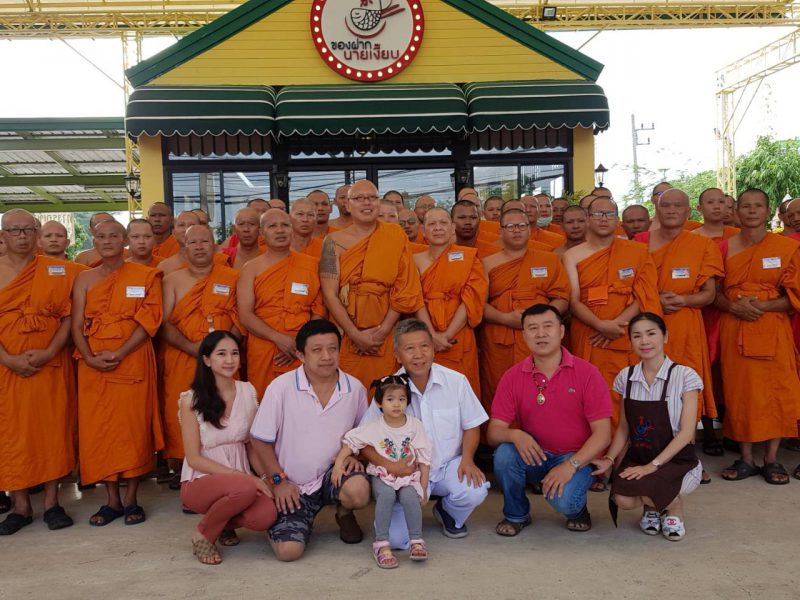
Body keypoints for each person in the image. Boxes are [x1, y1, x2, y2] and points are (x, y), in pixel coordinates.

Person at [249, 319, 371, 562]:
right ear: (300, 355)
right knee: (289, 552)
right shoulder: (281, 387)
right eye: (317, 350)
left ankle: (344, 512)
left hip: (332, 475)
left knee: (359, 491)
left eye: (332, 348)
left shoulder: (354, 388)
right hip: (292, 483)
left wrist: (355, 457)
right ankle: (282, 523)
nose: (326, 356)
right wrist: (278, 481)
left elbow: (362, 434)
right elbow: (259, 440)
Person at [359, 319, 489, 545]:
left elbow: (472, 425)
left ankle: (448, 512)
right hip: (406, 473)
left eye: (424, 347)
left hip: (449, 465)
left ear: (433, 349)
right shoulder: (386, 390)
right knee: (398, 541)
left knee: (474, 490)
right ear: (398, 355)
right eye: (409, 349)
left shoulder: (456, 382)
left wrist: (467, 459)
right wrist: (389, 466)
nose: (418, 355)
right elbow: (363, 439)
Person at [489, 304, 612, 535]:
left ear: (562, 331)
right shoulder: (513, 376)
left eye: (548, 326)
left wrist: (570, 465)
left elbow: (603, 434)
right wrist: (515, 434)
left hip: (576, 458)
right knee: (505, 454)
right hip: (536, 455)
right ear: (524, 335)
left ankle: (578, 511)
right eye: (532, 328)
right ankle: (516, 515)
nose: (541, 334)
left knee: (564, 502)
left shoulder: (587, 373)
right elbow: (494, 432)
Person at [71, 219, 164, 526]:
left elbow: (150, 319)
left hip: (132, 358)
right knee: (100, 429)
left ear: (124, 240)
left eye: (114, 236)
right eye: (101, 236)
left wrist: (121, 352)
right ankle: (110, 500)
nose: (107, 240)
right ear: (93, 240)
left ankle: (132, 498)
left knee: (131, 427)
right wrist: (88, 356)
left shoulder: (145, 275)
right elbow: (76, 323)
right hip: (93, 363)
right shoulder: (84, 278)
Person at [0, 209, 85, 535]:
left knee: (52, 429)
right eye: (14, 230)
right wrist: (7, 359)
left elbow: (68, 316)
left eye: (27, 230)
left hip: (49, 364)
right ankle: (20, 505)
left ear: (36, 233)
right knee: (11, 434)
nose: (22, 236)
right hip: (7, 370)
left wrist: (50, 350)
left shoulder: (58, 270)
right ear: (3, 236)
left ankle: (52, 502)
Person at [716, 189, 800, 485]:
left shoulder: (785, 247)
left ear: (769, 212)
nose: (752, 211)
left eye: (758, 206)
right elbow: (714, 293)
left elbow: (794, 296)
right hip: (735, 327)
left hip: (772, 327)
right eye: (746, 206)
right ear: (737, 211)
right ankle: (746, 458)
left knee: (776, 391)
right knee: (741, 392)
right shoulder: (725, 248)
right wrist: (733, 306)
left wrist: (763, 305)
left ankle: (772, 459)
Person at [594, 312, 702, 541]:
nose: (644, 341)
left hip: (677, 460)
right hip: (640, 456)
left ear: (665, 336)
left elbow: (686, 433)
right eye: (637, 336)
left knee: (650, 485)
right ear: (630, 341)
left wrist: (652, 466)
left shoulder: (685, 376)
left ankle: (673, 508)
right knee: (622, 500)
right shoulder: (626, 376)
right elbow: (624, 428)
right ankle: (652, 506)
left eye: (651, 334)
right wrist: (611, 459)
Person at [179, 330, 278, 565]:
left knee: (266, 515)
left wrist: (265, 477)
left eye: (234, 353)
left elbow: (251, 445)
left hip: (240, 484)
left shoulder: (248, 391)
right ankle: (203, 534)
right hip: (201, 480)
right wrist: (247, 479)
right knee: (243, 486)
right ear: (206, 360)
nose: (229, 360)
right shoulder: (190, 399)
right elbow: (193, 458)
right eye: (221, 354)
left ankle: (221, 521)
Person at [563, 197, 660, 429]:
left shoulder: (637, 251)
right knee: (592, 390)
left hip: (627, 332)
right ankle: (597, 445)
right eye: (597, 214)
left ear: (617, 219)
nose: (604, 219)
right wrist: (599, 324)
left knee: (630, 389)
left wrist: (615, 324)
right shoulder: (572, 256)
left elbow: (644, 295)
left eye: (609, 214)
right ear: (587, 218)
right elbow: (573, 300)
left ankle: (630, 446)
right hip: (589, 332)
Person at [320, 180, 423, 390]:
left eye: (372, 198)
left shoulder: (395, 235)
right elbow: (330, 294)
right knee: (351, 394)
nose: (366, 203)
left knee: (387, 393)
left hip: (387, 330)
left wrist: (383, 331)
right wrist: (356, 335)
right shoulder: (332, 241)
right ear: (347, 205)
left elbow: (404, 287)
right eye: (359, 198)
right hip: (349, 332)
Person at [634, 189, 724, 427]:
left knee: (684, 384)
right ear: (657, 210)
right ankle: (649, 445)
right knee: (650, 385)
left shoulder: (703, 245)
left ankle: (685, 449)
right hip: (649, 324)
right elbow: (631, 287)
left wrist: (684, 300)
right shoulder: (640, 243)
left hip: (686, 325)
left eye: (677, 206)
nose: (671, 210)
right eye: (666, 206)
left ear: (688, 211)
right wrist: (655, 300)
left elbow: (709, 294)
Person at [160, 225, 241, 484]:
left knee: (224, 412)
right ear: (184, 248)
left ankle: (224, 470)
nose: (198, 246)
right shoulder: (171, 280)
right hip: (183, 356)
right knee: (185, 412)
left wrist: (219, 351)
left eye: (204, 241)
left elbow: (241, 319)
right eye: (192, 242)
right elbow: (164, 324)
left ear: (214, 245)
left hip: (225, 361)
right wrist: (192, 348)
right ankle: (188, 473)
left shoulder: (233, 277)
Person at [333, 375, 432, 568]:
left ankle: (417, 540)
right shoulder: (374, 427)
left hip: (408, 477)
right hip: (382, 475)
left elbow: (424, 458)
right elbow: (351, 442)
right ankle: (381, 544)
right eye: (390, 399)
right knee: (386, 494)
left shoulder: (415, 426)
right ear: (379, 403)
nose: (396, 404)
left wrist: (424, 487)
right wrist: (338, 464)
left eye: (402, 399)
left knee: (410, 496)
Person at [479, 208, 569, 413]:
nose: (516, 230)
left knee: (545, 386)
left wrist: (542, 321)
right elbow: (478, 305)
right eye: (510, 226)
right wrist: (504, 318)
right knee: (501, 386)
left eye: (522, 225)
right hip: (501, 338)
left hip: (542, 335)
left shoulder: (549, 259)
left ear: (530, 229)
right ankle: (504, 438)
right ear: (500, 231)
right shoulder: (487, 264)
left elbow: (563, 297)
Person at [237, 209, 326, 398]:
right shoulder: (250, 268)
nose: (280, 230)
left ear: (292, 229)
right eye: (272, 226)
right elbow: (245, 315)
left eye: (284, 225)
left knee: (304, 403)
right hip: (264, 346)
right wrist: (279, 339)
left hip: (303, 349)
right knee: (265, 402)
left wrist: (299, 344)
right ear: (261, 233)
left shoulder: (311, 265)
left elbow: (318, 310)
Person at [413, 207, 487, 398]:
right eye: (432, 224)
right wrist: (431, 335)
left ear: (453, 228)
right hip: (422, 336)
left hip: (458, 335)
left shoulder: (469, 257)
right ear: (424, 230)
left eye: (443, 223)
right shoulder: (413, 261)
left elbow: (471, 299)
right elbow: (415, 299)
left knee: (461, 394)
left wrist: (447, 335)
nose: (438, 228)